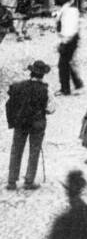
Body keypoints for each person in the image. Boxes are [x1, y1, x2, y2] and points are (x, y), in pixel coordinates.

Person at [5, 59, 50, 190]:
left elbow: (9, 104)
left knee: (16, 150)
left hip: (21, 122)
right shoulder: (45, 89)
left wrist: (13, 120)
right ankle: (29, 181)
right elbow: (51, 108)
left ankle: (11, 181)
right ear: (43, 75)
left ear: (31, 73)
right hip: (37, 123)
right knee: (34, 150)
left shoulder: (18, 86)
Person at [56, 0, 84, 96]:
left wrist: (64, 42)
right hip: (69, 39)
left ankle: (66, 89)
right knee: (67, 63)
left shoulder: (71, 10)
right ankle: (77, 85)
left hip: (69, 40)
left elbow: (70, 29)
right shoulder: (66, 8)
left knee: (63, 64)